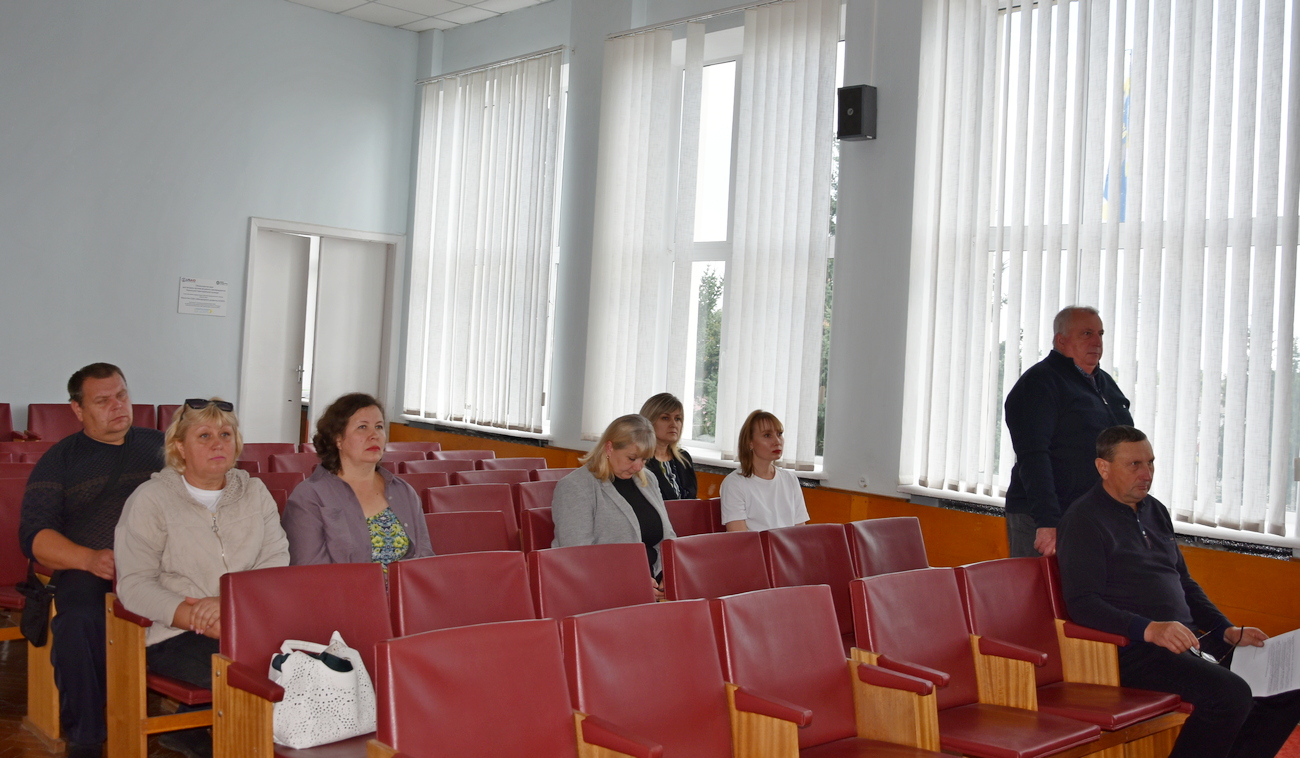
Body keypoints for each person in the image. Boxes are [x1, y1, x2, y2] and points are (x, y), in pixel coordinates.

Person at [1057, 426, 1300, 758]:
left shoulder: (1155, 510)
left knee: (1288, 687)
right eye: (1135, 465)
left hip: (1188, 640)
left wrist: (1225, 629)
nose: (1147, 474)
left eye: (1151, 463)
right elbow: (1083, 604)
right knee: (1230, 695)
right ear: (1104, 467)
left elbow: (1184, 582)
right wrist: (1150, 629)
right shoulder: (1083, 520)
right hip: (1132, 650)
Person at [115, 398, 289, 758]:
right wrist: (196, 616)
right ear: (180, 446)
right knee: (256, 673)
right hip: (174, 631)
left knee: (302, 663)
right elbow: (134, 584)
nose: (217, 444)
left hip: (248, 622)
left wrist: (228, 608)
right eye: (204, 435)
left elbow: (275, 562)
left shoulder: (255, 493)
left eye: (226, 434)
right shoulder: (151, 500)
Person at [17, 363, 165, 758]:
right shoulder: (60, 460)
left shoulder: (163, 446)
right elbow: (35, 537)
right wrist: (90, 559)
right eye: (102, 401)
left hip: (166, 567)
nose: (117, 405)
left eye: (122, 395)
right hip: (94, 570)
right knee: (78, 623)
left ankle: (193, 717)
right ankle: (85, 738)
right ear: (78, 410)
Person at [1004, 305, 1132, 557]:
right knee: (1040, 585)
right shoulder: (1039, 383)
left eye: (1100, 334)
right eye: (1087, 333)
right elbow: (1033, 456)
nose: (1097, 341)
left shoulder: (1105, 383)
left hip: (1096, 516)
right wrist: (1047, 521)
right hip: (1046, 517)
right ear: (1061, 340)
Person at [282, 393, 432, 567]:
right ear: (338, 439)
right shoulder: (309, 496)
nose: (374, 435)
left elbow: (424, 558)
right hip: (341, 585)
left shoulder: (403, 491)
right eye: (362, 427)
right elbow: (311, 572)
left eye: (379, 426)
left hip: (403, 585)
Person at [551, 414, 676, 589]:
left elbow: (667, 536)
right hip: (600, 589)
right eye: (632, 458)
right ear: (609, 448)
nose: (638, 467)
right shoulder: (575, 486)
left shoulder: (648, 479)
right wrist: (633, 581)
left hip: (650, 585)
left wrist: (666, 576)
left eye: (644, 459)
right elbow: (577, 556)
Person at [720, 410, 808, 531]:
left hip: (785, 544)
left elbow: (800, 532)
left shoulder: (790, 479)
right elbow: (739, 537)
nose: (777, 441)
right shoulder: (734, 483)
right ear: (750, 443)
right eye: (767, 435)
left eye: (779, 434)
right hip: (755, 544)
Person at [639, 393, 697, 501]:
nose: (673, 424)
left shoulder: (684, 458)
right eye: (665, 418)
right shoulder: (638, 461)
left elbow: (692, 499)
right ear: (648, 422)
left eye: (678, 419)